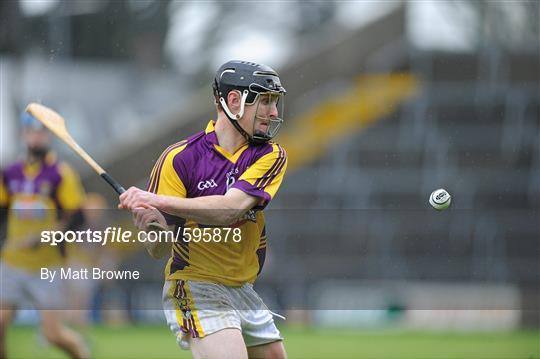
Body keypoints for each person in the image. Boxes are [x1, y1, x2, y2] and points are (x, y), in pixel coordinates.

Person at [119, 60, 288, 359]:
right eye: (265, 101)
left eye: (274, 102)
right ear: (234, 101)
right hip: (195, 285)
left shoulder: (270, 154)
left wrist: (158, 201)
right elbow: (158, 250)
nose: (273, 112)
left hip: (242, 288)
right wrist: (150, 225)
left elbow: (230, 209)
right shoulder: (179, 159)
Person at [0, 112, 90, 359]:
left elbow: (77, 219)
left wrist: (45, 236)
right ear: (23, 134)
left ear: (49, 136)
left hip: (47, 266)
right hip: (12, 262)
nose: (36, 137)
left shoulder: (61, 173)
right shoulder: (10, 173)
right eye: (31, 131)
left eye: (41, 132)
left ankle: (83, 353)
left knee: (53, 335)